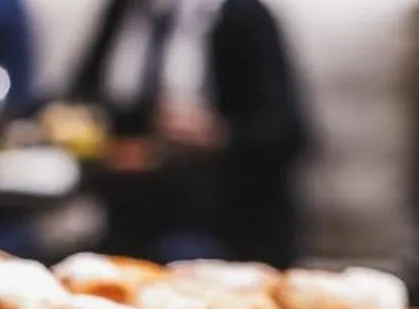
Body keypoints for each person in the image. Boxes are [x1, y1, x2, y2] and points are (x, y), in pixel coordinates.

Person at [67, 0, 310, 266]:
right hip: (129, 207)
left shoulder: (242, 15)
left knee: (179, 252)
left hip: (219, 214)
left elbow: (285, 132)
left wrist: (216, 135)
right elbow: (83, 96)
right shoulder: (124, 10)